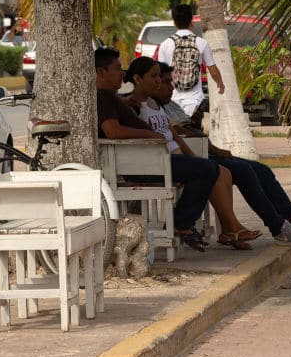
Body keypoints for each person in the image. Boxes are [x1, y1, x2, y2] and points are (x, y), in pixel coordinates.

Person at [146, 61, 291, 244]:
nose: (171, 87)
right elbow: (178, 135)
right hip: (191, 156)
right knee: (244, 171)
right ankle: (278, 226)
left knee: (262, 170)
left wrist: (203, 132)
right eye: (165, 82)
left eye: (171, 82)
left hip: (202, 152)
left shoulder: (170, 105)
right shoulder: (148, 108)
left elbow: (191, 131)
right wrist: (212, 148)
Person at [95, 47, 247, 251]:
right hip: (145, 165)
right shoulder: (103, 96)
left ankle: (187, 223)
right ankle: (181, 223)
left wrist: (126, 103)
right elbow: (112, 130)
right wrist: (151, 135)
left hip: (154, 159)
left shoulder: (112, 97)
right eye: (117, 68)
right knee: (207, 170)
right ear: (100, 72)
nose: (122, 73)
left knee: (209, 167)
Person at [155, 3, 225, 118]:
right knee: (193, 131)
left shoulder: (165, 44)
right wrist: (220, 84)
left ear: (174, 23)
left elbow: (161, 74)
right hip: (195, 101)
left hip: (172, 99)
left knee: (177, 131)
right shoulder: (202, 43)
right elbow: (213, 70)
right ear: (191, 22)